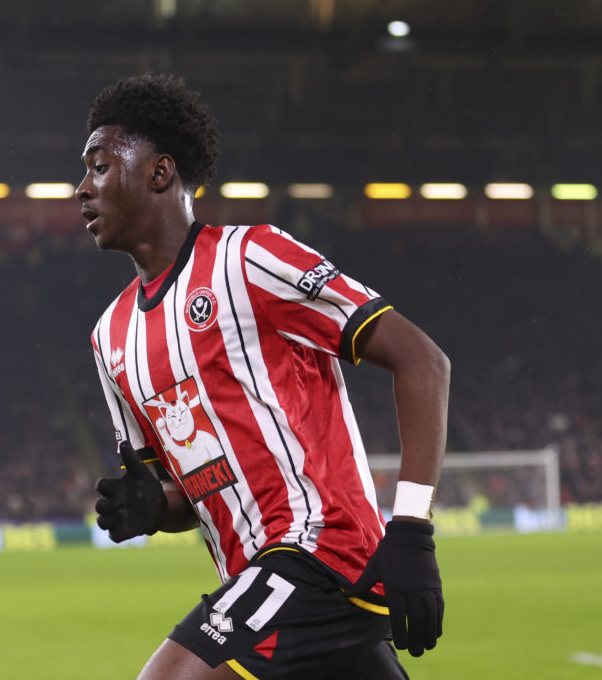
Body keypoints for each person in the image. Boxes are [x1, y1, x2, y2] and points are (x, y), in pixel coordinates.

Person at [79, 73, 449, 680]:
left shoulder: (251, 258)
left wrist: (411, 527)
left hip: (321, 552)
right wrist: (152, 508)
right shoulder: (109, 337)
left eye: (99, 166)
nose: (81, 189)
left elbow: (422, 361)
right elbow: (191, 494)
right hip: (255, 580)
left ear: (160, 172)